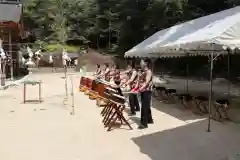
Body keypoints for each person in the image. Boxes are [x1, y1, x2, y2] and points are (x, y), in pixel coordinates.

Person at [138, 59, 153, 129]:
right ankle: (150, 120)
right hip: (143, 91)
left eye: (141, 62)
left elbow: (147, 82)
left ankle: (144, 124)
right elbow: (140, 80)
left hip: (146, 91)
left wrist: (142, 88)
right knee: (146, 105)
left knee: (144, 106)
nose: (140, 63)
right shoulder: (143, 72)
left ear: (145, 64)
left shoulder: (148, 72)